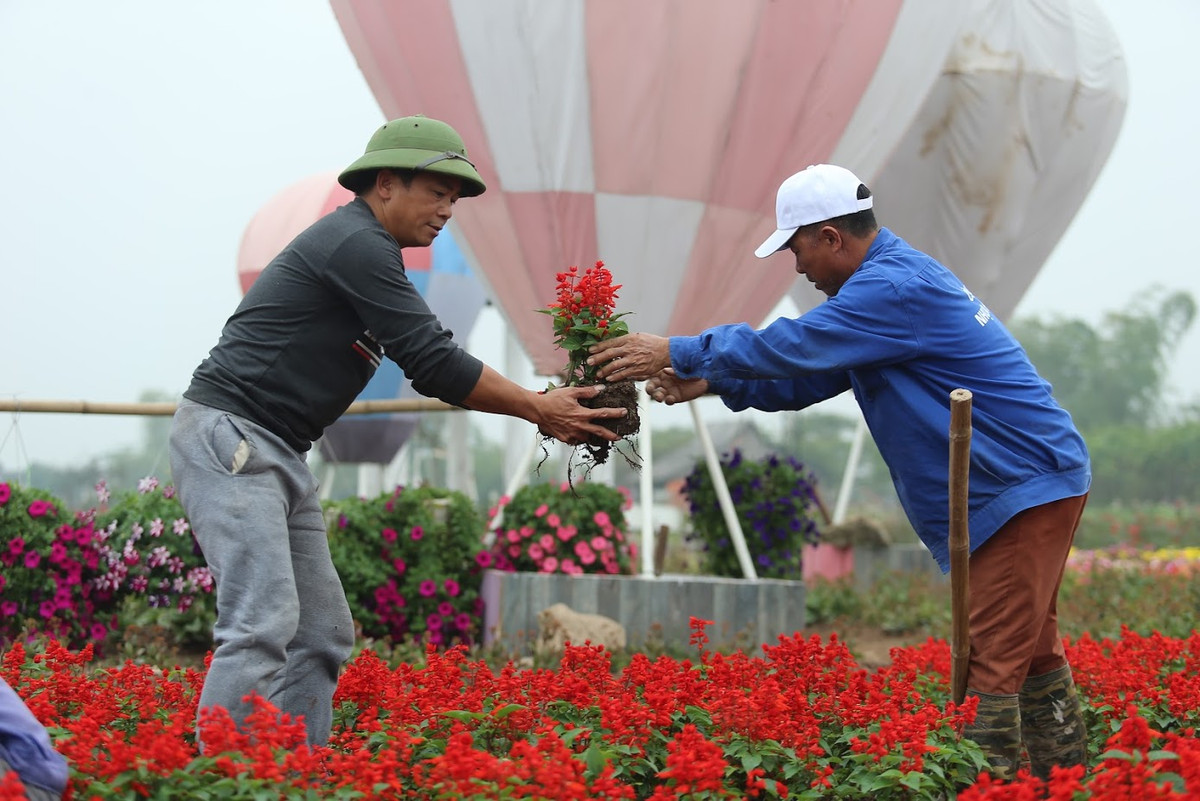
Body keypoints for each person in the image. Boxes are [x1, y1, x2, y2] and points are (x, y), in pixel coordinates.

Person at [588, 164, 1090, 781]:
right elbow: (810, 374)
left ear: (829, 237)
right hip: (1024, 478)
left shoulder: (891, 290)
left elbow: (794, 344)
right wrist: (714, 381)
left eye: (797, 249)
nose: (796, 267)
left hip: (1017, 485)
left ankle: (989, 784)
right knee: (1029, 650)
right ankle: (1065, 780)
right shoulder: (882, 292)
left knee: (991, 663)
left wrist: (677, 349)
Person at [169, 115, 624, 749]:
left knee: (321, 632)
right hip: (235, 436)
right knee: (260, 623)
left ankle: (296, 777)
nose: (447, 209)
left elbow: (431, 357)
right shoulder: (356, 243)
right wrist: (538, 407)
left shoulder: (372, 254)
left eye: (455, 198)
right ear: (385, 184)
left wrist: (536, 403)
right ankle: (217, 783)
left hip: (278, 448)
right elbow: (433, 360)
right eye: (436, 191)